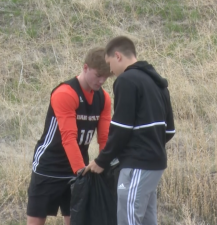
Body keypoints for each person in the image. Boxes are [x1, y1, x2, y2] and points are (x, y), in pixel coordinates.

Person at [83, 36, 176, 225]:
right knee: (147, 221)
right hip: (155, 165)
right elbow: (169, 131)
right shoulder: (158, 83)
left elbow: (120, 129)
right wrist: (152, 144)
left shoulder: (126, 80)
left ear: (117, 56)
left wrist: (103, 160)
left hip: (137, 165)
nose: (110, 71)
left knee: (128, 220)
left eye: (109, 64)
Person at [27, 47, 112, 225]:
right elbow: (68, 137)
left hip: (79, 166)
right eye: (98, 75)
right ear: (85, 67)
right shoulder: (65, 93)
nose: (102, 81)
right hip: (49, 166)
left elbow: (104, 138)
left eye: (106, 76)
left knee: (78, 220)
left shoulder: (104, 98)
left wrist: (104, 166)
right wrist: (81, 173)